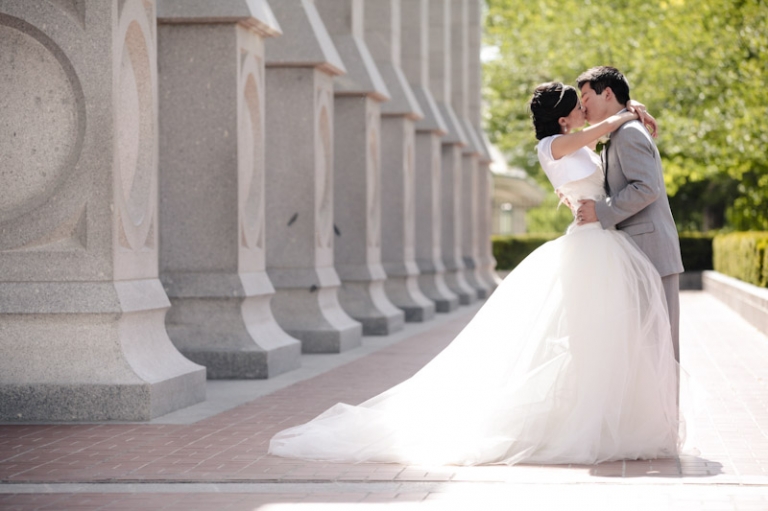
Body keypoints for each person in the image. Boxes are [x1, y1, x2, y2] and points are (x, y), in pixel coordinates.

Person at [268, 82, 682, 467]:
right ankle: (593, 423)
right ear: (562, 119)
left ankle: (610, 418)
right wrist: (628, 112)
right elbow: (601, 131)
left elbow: (598, 151)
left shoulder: (576, 142)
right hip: (591, 245)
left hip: (601, 240)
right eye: (579, 106)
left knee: (608, 337)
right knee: (593, 337)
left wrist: (628, 112)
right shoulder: (553, 145)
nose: (584, 110)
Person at [575, 66, 684, 362]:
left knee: (659, 348)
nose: (583, 105)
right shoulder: (618, 132)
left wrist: (600, 211)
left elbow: (647, 187)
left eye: (586, 97)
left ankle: (666, 397)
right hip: (637, 254)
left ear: (607, 93)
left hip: (652, 254)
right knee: (645, 349)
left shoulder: (628, 134)